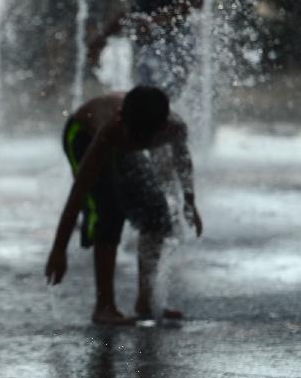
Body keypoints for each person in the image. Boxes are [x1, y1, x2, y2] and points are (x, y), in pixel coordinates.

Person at [45, 86, 203, 325]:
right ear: (123, 119)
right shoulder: (112, 130)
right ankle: (104, 306)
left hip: (121, 139)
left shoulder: (173, 128)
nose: (137, 141)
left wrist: (190, 203)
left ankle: (146, 301)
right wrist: (59, 249)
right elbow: (79, 191)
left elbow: (182, 161)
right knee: (108, 211)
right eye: (133, 134)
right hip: (82, 134)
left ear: (160, 128)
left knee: (156, 215)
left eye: (143, 137)